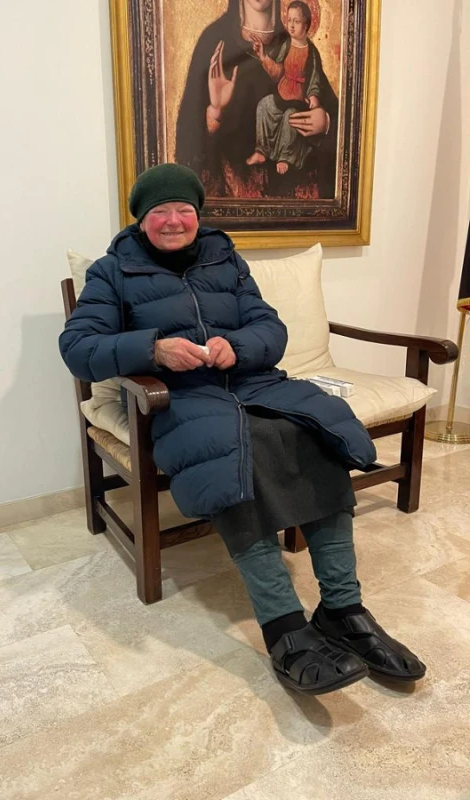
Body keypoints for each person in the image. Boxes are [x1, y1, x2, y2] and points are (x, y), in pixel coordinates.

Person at [59, 163, 426, 696]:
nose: (173, 220)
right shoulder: (111, 272)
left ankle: (343, 608)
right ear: (140, 219)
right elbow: (78, 348)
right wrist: (153, 350)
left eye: (183, 209)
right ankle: (283, 626)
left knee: (314, 433)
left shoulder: (224, 257)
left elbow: (270, 327)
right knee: (230, 456)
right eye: (159, 211)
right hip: (181, 396)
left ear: (197, 214)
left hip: (254, 383)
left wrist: (240, 347)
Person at [176, 0, 338, 198]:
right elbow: (187, 147)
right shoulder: (213, 41)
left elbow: (343, 132)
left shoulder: (298, 44)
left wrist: (325, 123)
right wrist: (215, 111)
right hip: (232, 201)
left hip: (293, 204)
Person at [246, 2, 324, 175]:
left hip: (298, 100)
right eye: (289, 20)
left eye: (297, 21)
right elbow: (277, 72)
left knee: (290, 118)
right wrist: (263, 56)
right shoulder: (286, 46)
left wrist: (313, 96)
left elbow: (315, 79)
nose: (291, 25)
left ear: (307, 25)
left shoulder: (312, 52)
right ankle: (261, 151)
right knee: (264, 105)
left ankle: (285, 157)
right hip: (281, 94)